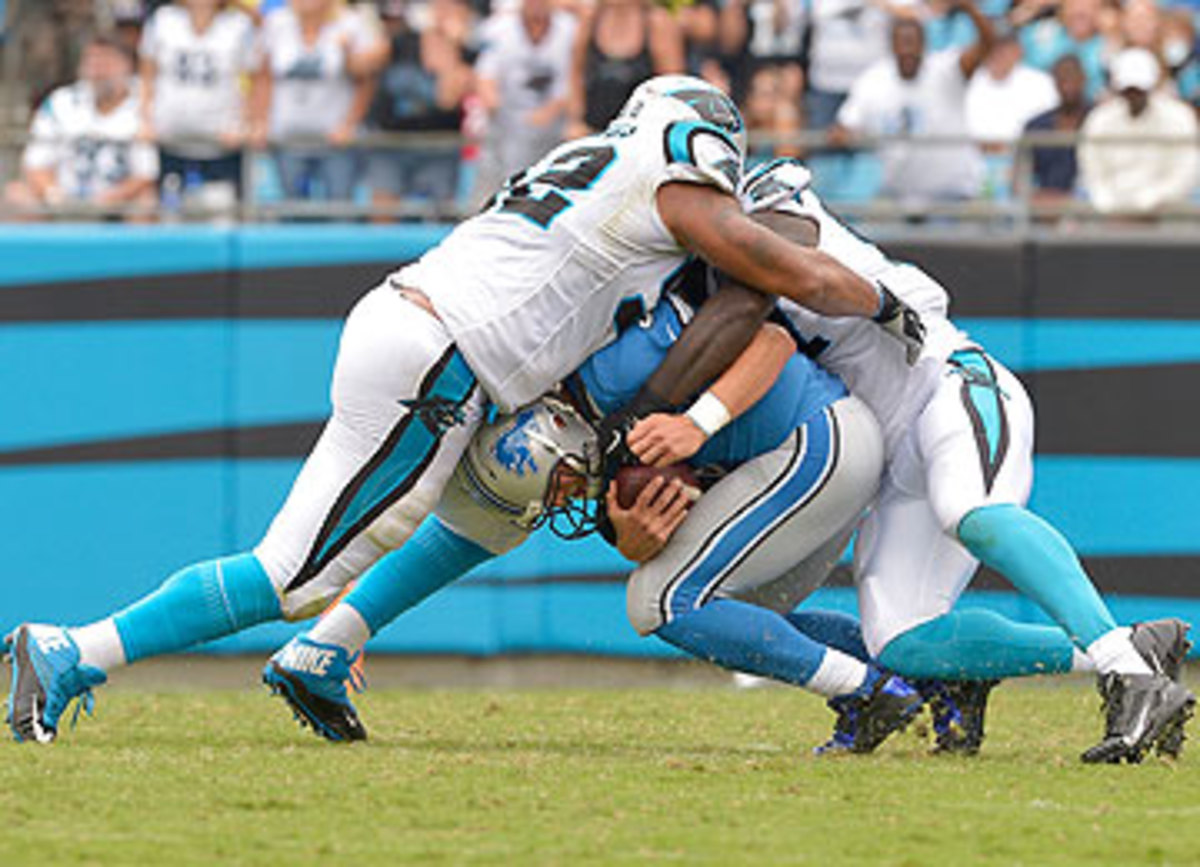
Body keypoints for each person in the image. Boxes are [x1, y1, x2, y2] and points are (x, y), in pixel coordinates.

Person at [4, 75, 923, 745]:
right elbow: (782, 274)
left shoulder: (590, 161)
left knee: (495, 510)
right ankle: (73, 649)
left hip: (428, 335)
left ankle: (326, 654)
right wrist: (882, 301)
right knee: (293, 572)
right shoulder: (671, 170)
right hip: (445, 355)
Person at [632, 157, 1194, 763]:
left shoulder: (766, 212)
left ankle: (1130, 677)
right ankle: (1127, 648)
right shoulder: (699, 276)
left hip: (949, 385)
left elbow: (776, 266)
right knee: (903, 641)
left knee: (971, 511)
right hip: (895, 458)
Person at [263, 289, 923, 751]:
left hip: (820, 437)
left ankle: (867, 691)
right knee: (732, 612)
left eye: (564, 486)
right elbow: (645, 509)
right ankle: (924, 669)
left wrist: (700, 421)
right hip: (804, 451)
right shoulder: (578, 422)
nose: (569, 499)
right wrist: (637, 534)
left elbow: (770, 339)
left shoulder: (613, 368)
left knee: (662, 602)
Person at [830, 0, 996, 207]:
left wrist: (969, 8)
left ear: (924, 44)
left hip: (953, 196)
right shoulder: (873, 80)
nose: (907, 51)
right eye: (902, 43)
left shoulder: (947, 70)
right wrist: (843, 135)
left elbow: (988, 43)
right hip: (898, 198)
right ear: (892, 45)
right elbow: (844, 125)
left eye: (912, 43)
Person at [4, 34, 159, 219]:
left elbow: (146, 174)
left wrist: (111, 198)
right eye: (92, 63)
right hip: (62, 198)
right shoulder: (61, 101)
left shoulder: (145, 105)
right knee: (16, 195)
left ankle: (136, 248)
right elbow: (35, 163)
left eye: (106, 63)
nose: (98, 72)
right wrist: (53, 193)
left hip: (117, 202)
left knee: (146, 202)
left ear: (127, 66)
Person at [250, 0, 388, 203]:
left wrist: (350, 124)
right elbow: (263, 77)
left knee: (339, 211)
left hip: (336, 142)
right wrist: (260, 121)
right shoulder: (275, 23)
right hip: (287, 140)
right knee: (289, 211)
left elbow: (366, 80)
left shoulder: (350, 23)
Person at [138, 0, 260, 200]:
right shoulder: (162, 20)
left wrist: (246, 124)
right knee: (170, 217)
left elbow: (256, 81)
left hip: (221, 143)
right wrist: (146, 120)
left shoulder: (239, 24)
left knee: (221, 217)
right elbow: (147, 75)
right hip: (170, 140)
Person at [364, 0, 475, 216]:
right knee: (381, 213)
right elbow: (363, 66)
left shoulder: (469, 55)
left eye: (452, 8)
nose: (444, 13)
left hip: (439, 147)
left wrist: (451, 48)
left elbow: (447, 100)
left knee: (441, 217)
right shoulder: (401, 41)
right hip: (391, 142)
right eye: (440, 7)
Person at [470, 0, 577, 208]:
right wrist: (493, 104)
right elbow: (485, 76)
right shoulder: (497, 28)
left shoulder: (570, 29)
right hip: (507, 123)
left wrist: (549, 112)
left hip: (554, 126)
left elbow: (574, 79)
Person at [1078, 47, 1199, 215]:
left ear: (1153, 85)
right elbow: (1092, 171)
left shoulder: (1179, 117)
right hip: (1110, 210)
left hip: (1167, 210)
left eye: (1139, 90)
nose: (1134, 96)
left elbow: (1186, 172)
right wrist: (1108, 204)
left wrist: (1151, 201)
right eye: (1128, 90)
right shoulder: (1100, 119)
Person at [565, 0, 684, 137]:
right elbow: (576, 74)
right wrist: (576, 120)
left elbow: (673, 88)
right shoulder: (590, 19)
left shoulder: (657, 22)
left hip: (642, 135)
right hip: (594, 133)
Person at [1022, 52, 1090, 206]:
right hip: (1044, 209)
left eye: (1073, 78)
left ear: (1083, 79)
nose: (1067, 86)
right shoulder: (1036, 126)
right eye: (1062, 80)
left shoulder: (1099, 121)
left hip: (1088, 208)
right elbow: (1020, 178)